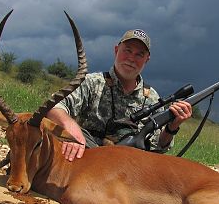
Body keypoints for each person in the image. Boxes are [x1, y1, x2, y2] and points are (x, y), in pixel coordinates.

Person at [47, 29, 192, 161]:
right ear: (116, 50)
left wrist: (172, 127)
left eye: (139, 54)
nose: (131, 58)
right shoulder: (93, 82)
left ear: (147, 59)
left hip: (127, 168)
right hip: (87, 159)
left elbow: (160, 146)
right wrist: (71, 128)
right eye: (127, 51)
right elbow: (54, 106)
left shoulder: (152, 97)